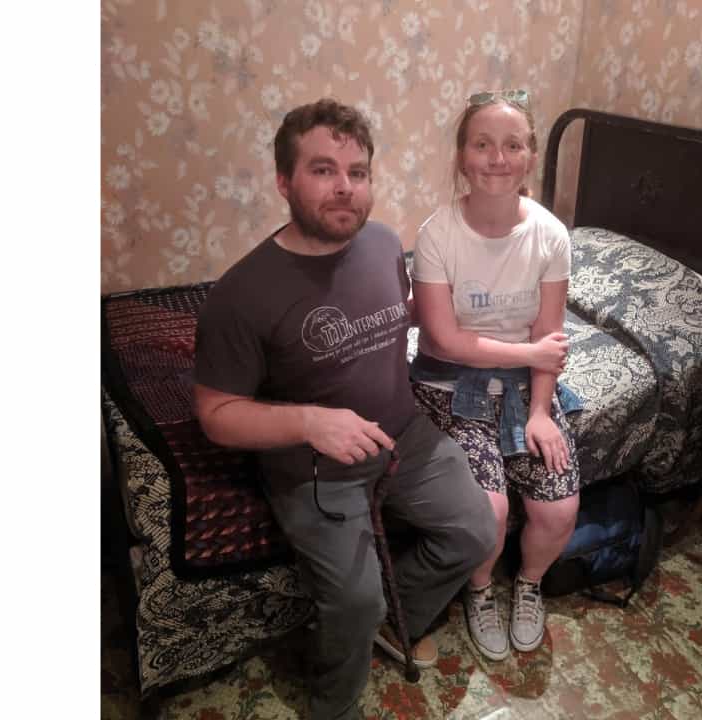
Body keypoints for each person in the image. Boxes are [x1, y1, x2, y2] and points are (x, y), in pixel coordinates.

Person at [192, 98, 495, 720]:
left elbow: (391, 318)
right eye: (323, 170)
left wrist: (446, 310)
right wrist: (309, 421)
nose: (345, 188)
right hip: (313, 466)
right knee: (355, 602)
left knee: (476, 531)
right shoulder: (240, 294)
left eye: (358, 172)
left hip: (403, 435)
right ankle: (334, 702)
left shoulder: (383, 244)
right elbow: (216, 414)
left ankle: (392, 621)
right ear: (284, 181)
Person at [409, 89, 582, 661]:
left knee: (559, 506)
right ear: (462, 156)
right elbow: (443, 340)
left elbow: (549, 335)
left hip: (526, 386)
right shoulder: (438, 234)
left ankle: (529, 584)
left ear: (530, 156)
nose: (497, 158)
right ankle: (480, 590)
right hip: (448, 384)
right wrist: (529, 354)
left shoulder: (550, 235)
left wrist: (540, 411)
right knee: (490, 511)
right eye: (482, 144)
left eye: (512, 145)